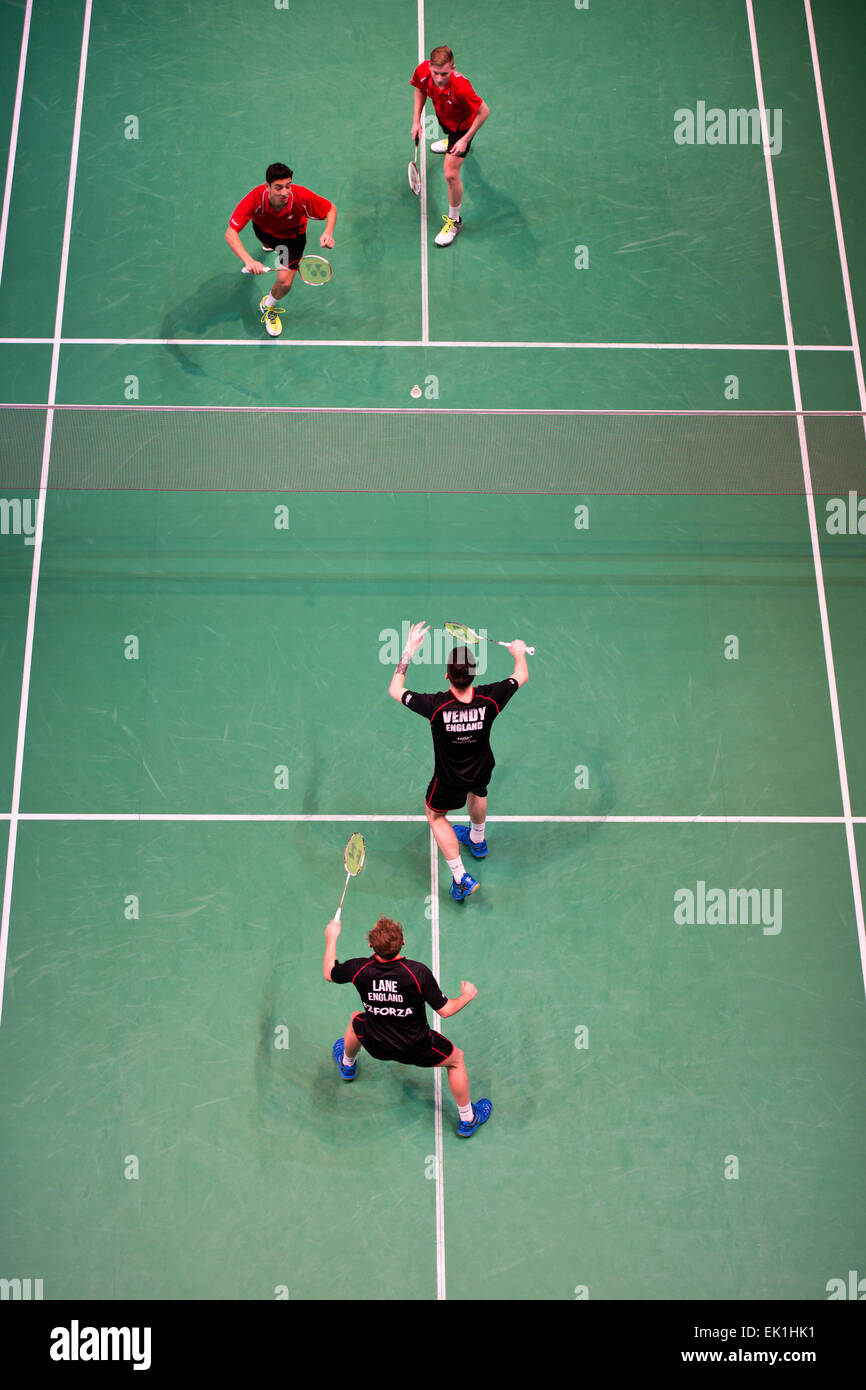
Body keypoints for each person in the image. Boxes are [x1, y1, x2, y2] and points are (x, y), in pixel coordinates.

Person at [389, 622, 529, 902]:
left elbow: (395, 688)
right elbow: (520, 675)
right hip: (481, 768)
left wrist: (408, 651)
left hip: (449, 779)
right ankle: (477, 839)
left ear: (446, 676)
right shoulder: (491, 698)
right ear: (474, 675)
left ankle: (460, 877)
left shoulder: (435, 706)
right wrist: (519, 652)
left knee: (435, 815)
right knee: (478, 791)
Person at [324, 913, 492, 1138]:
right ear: (403, 942)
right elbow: (446, 1010)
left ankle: (347, 1065)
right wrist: (467, 996)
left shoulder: (359, 969)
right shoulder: (417, 973)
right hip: (418, 1048)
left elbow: (329, 973)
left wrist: (332, 937)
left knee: (356, 1020)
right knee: (456, 1060)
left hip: (375, 1043)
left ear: (370, 945)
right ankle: (468, 1119)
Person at [225, 162, 336, 336]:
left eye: (288, 186)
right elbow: (231, 233)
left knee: (284, 282)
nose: (284, 192)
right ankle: (268, 247)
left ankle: (267, 305)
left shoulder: (301, 197)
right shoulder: (255, 199)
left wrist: (328, 233)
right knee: (267, 245)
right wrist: (248, 260)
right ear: (267, 186)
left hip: (291, 240)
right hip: (264, 232)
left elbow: (330, 209)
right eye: (278, 187)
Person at [410, 45, 490, 247]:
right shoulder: (423, 72)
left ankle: (455, 222)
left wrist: (464, 139)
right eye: (435, 73)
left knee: (450, 174)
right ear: (430, 68)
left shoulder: (461, 88)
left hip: (464, 127)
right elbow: (420, 89)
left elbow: (484, 112)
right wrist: (416, 121)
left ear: (453, 68)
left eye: (444, 73)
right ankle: (450, 142)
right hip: (446, 117)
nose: (438, 78)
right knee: (449, 134)